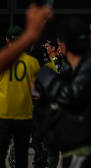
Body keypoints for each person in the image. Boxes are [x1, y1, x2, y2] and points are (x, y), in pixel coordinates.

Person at [35, 17, 91, 167]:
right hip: (78, 146)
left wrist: (48, 79)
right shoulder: (77, 65)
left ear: (64, 46)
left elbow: (71, 97)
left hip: (88, 150)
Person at [0, 26, 41, 168]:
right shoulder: (32, 62)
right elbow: (36, 94)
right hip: (24, 115)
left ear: (7, 40)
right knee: (22, 156)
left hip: (3, 114)